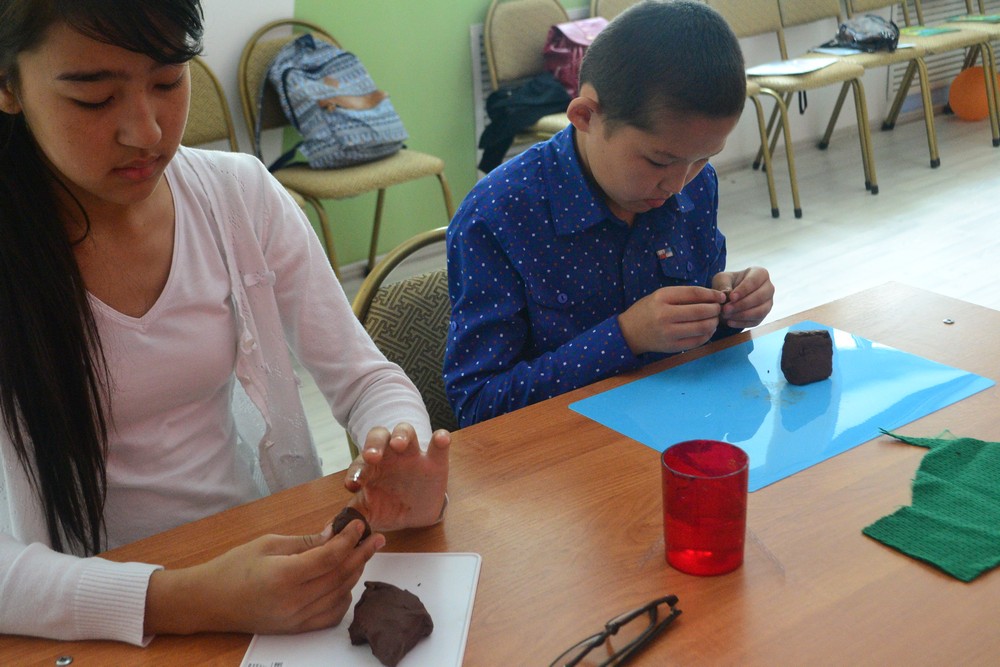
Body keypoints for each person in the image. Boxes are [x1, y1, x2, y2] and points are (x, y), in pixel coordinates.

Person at [0, 0, 449, 645]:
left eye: (168, 81)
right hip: (88, 618)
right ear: (9, 85)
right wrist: (187, 599)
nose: (146, 132)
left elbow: (365, 378)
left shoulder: (237, 196)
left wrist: (400, 443)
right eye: (94, 98)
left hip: (255, 567)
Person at [444, 0, 775, 427]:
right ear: (585, 116)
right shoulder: (497, 217)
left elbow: (701, 349)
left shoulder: (695, 183)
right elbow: (478, 406)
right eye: (658, 161)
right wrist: (627, 336)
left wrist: (730, 307)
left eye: (704, 158)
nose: (678, 185)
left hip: (678, 426)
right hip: (565, 453)